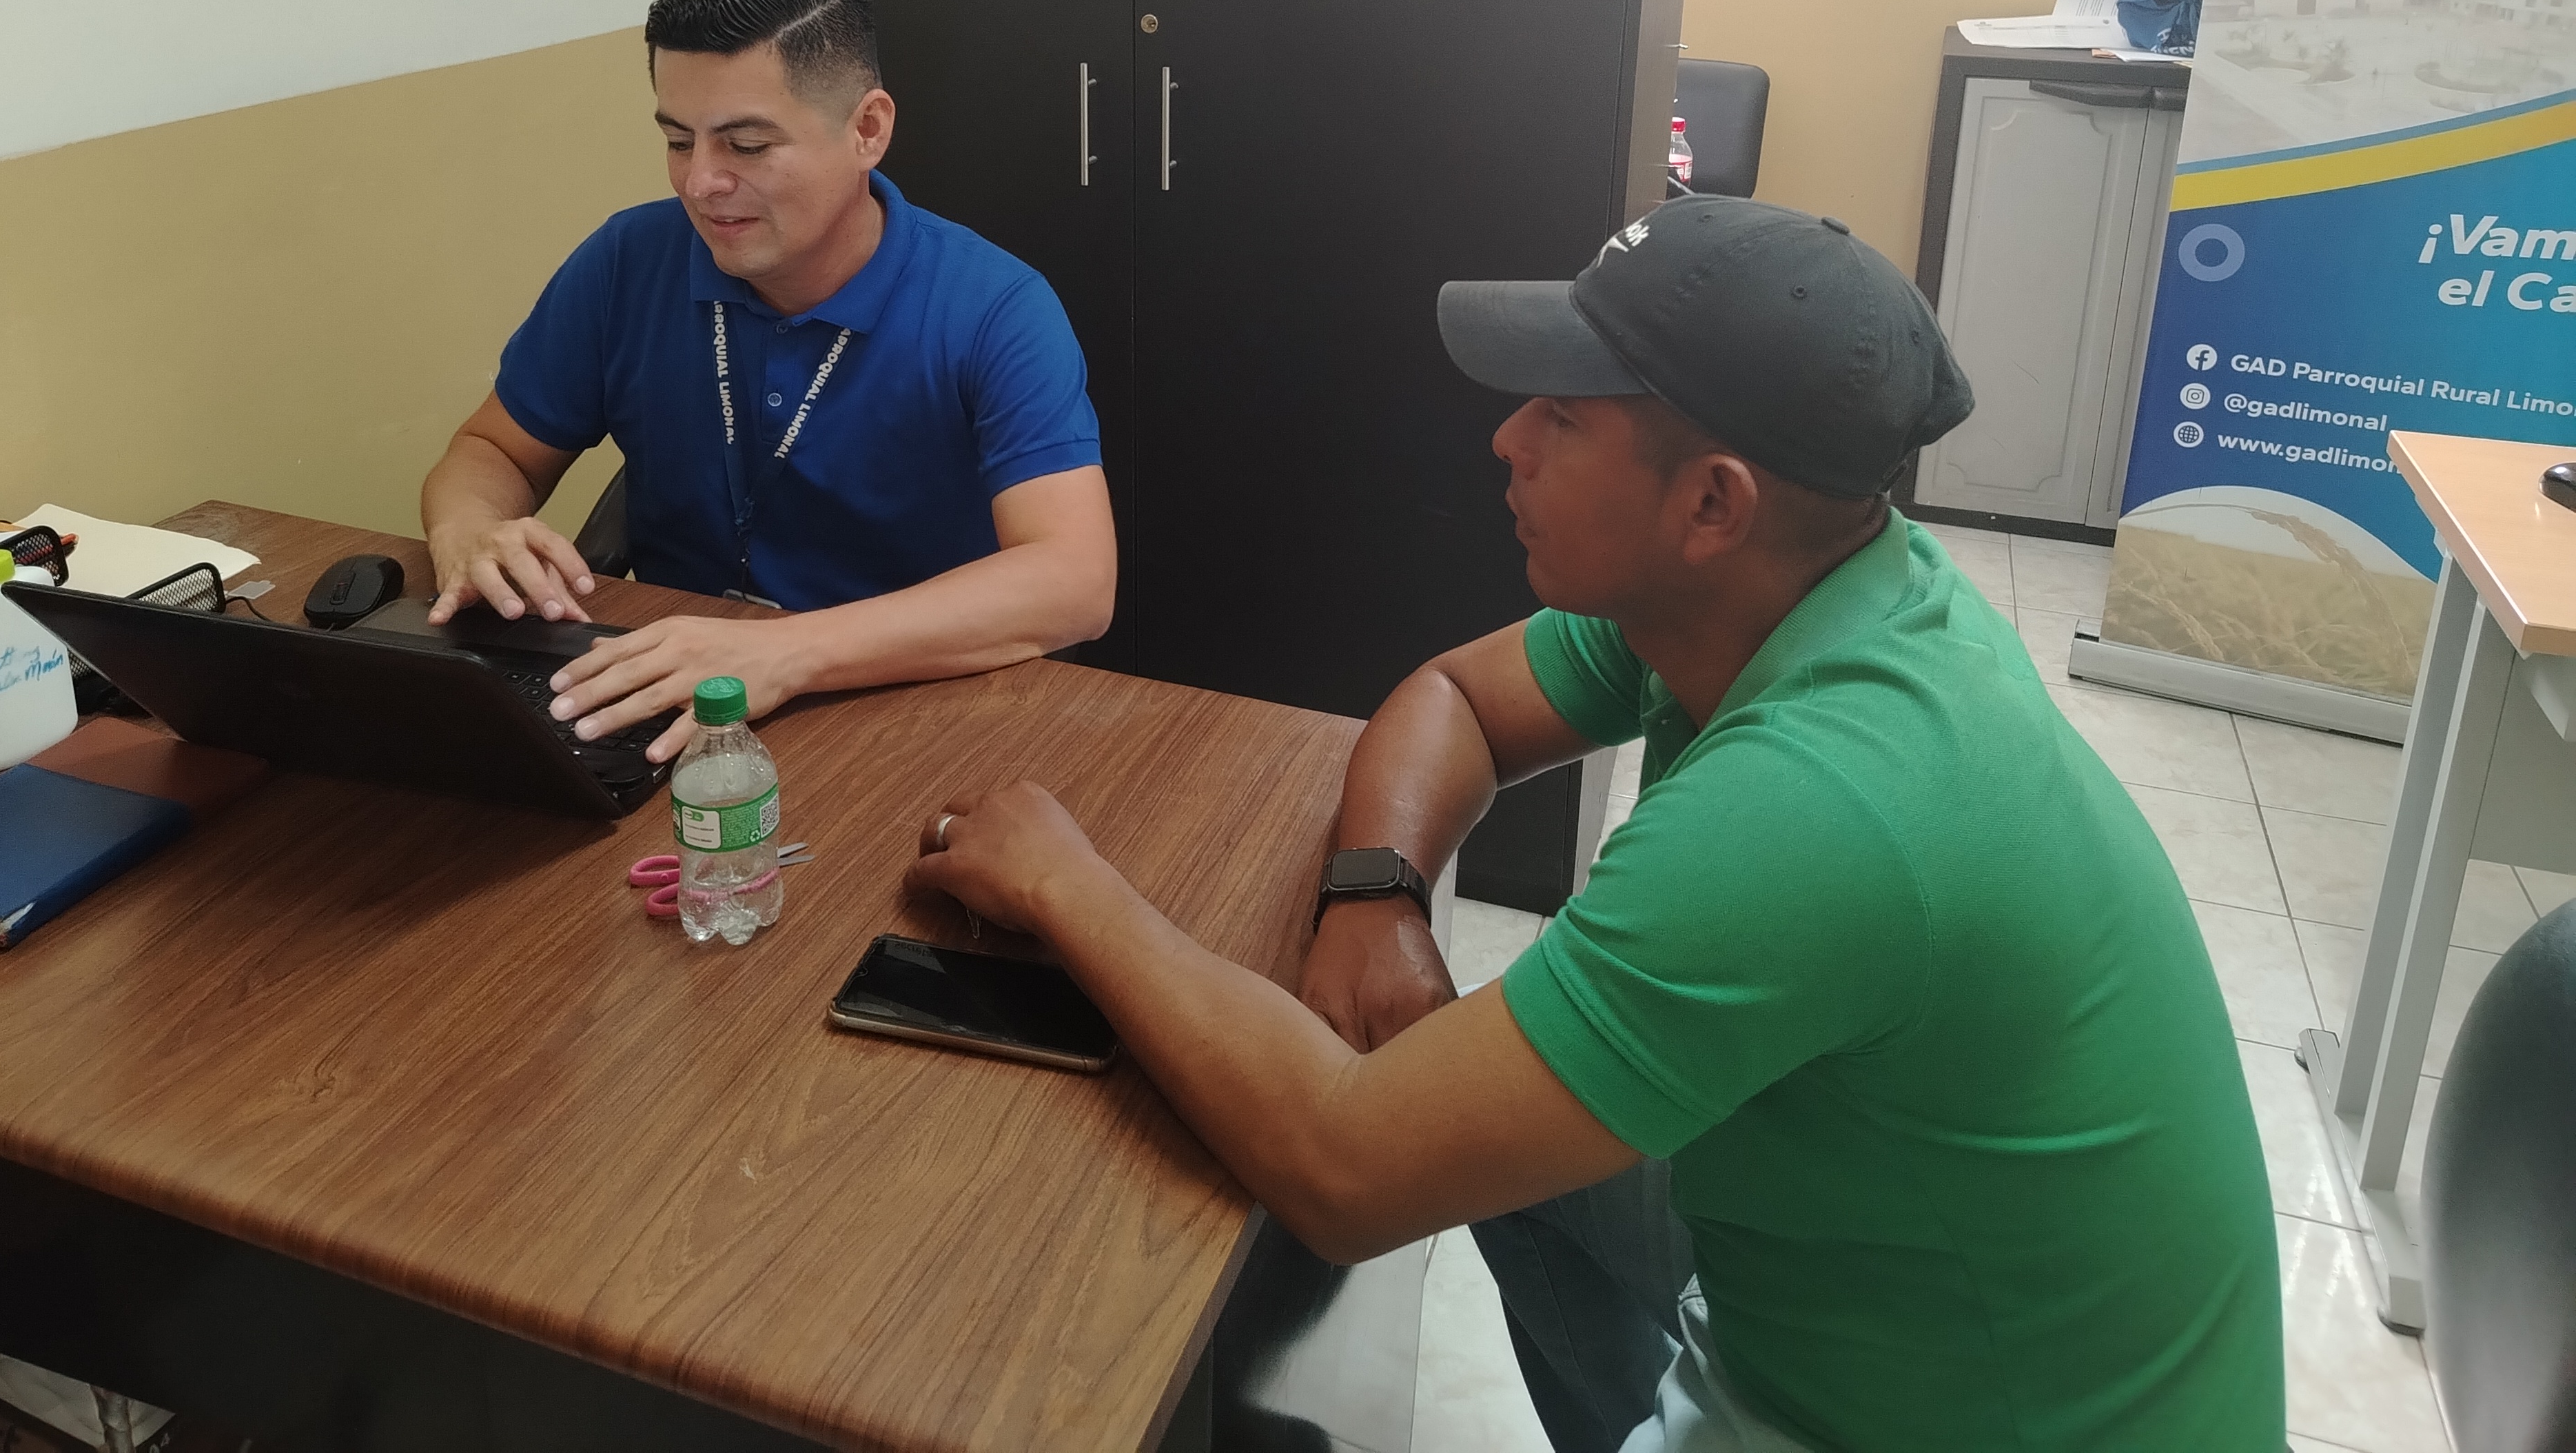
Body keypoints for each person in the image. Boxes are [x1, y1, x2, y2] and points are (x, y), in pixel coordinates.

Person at [906, 197, 2283, 1452]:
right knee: (1507, 1137)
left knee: (1414, 1131)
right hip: (1908, 1305)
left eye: (1561, 418)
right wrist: (1376, 890)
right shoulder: (1793, 587)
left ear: (1710, 502)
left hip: (1988, 1423)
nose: (1505, 440)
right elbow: (1455, 698)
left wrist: (1066, 884)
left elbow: (1344, 1167)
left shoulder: (1815, 806)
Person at [420, 0, 1114, 759]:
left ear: (867, 129)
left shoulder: (993, 306)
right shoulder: (628, 261)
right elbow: (493, 449)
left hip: (911, 700)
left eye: (746, 146)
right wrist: (468, 528)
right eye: (679, 141)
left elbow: (1075, 580)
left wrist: (787, 652)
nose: (700, 183)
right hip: (678, 696)